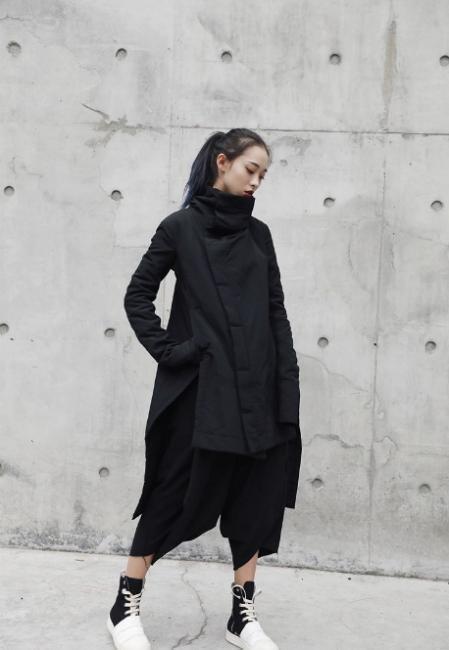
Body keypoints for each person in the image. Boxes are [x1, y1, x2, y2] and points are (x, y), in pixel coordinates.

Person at [106, 128, 302, 650]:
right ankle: (125, 603)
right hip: (205, 390)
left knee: (256, 497)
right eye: (250, 170)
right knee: (176, 492)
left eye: (263, 175)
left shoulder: (259, 235)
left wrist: (286, 382)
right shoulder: (180, 228)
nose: (256, 182)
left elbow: (275, 311)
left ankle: (242, 615)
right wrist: (173, 352)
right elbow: (138, 295)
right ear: (222, 162)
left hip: (260, 386)